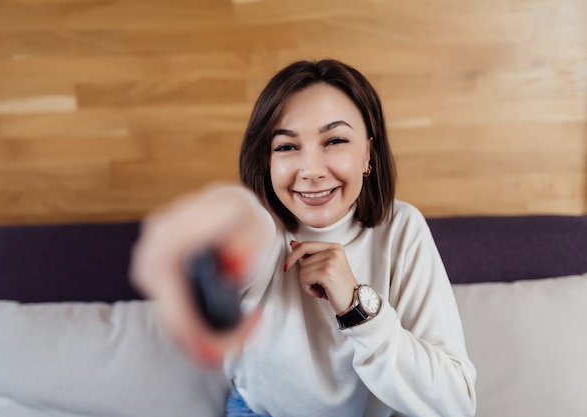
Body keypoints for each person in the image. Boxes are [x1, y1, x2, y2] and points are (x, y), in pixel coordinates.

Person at [130, 59, 477, 417]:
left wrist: (358, 311)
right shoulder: (262, 230)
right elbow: (239, 222)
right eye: (286, 147)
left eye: (336, 140)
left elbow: (455, 404)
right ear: (266, 160)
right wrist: (207, 229)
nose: (311, 170)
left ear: (368, 154)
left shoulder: (402, 228)